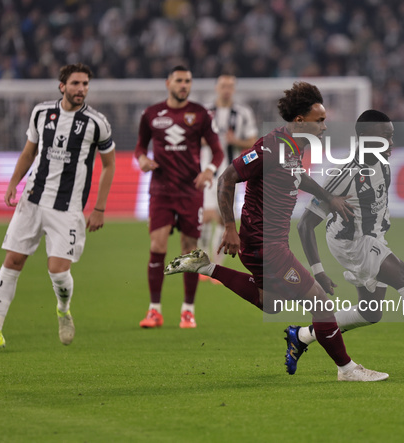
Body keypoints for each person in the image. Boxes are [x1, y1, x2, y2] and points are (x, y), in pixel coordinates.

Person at [165, 82, 390, 382]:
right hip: (265, 245)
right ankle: (347, 369)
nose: (324, 125)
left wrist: (328, 198)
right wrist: (230, 228)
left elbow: (297, 176)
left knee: (269, 302)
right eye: (319, 119)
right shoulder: (269, 147)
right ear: (300, 121)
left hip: (266, 244)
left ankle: (206, 267)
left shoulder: (295, 147)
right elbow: (227, 178)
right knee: (320, 302)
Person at [284, 109, 404, 378]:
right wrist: (318, 271)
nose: (392, 144)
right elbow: (305, 224)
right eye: (386, 138)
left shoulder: (382, 164)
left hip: (371, 239)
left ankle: (303, 335)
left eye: (392, 137)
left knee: (370, 313)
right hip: (352, 243)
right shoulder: (345, 175)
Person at [0, 63, 116, 353]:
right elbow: (30, 152)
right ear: (62, 86)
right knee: (12, 261)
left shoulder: (96, 122)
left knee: (58, 271)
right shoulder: (41, 113)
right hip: (32, 200)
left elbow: (110, 164)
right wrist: (14, 182)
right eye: (76, 83)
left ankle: (63, 310)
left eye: (85, 84)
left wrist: (100, 208)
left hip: (67, 208)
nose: (81, 89)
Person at [135, 66, 224, 329]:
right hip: (161, 190)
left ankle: (188, 310)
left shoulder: (200, 114)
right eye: (179, 81)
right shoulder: (151, 114)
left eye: (188, 81)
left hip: (189, 191)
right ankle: (154, 311)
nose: (184, 85)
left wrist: (209, 170)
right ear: (168, 83)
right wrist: (141, 158)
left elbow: (217, 151)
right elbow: (141, 145)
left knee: (189, 250)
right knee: (157, 246)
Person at [199, 75, 258, 275]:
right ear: (217, 87)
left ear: (234, 89)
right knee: (206, 217)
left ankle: (218, 264)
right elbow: (192, 138)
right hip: (207, 169)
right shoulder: (205, 112)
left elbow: (252, 140)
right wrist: (205, 141)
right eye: (223, 85)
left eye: (230, 86)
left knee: (223, 218)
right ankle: (203, 258)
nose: (226, 89)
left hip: (232, 173)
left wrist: (235, 140)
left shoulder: (243, 113)